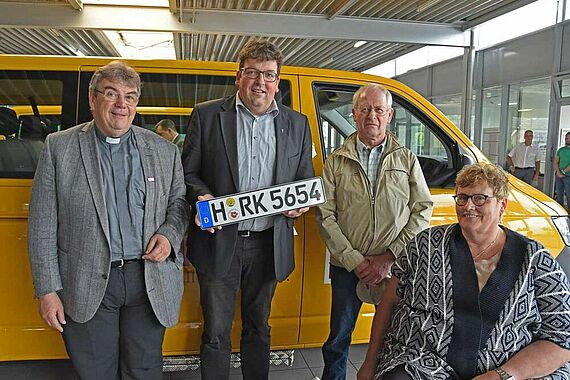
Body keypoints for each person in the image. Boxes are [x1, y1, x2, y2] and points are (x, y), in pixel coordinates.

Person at [27, 60, 189, 380]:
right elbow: (42, 223)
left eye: (130, 96)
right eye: (112, 94)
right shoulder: (60, 148)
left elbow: (179, 203)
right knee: (95, 372)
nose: (121, 105)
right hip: (85, 282)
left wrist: (169, 235)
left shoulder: (162, 150)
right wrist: (47, 291)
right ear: (92, 98)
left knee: (144, 370)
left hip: (148, 280)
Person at [358, 163, 570, 380]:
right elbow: (389, 302)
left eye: (479, 198)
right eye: (462, 198)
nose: (468, 206)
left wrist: (502, 375)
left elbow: (562, 338)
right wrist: (369, 363)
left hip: (506, 369)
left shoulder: (535, 260)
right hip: (423, 365)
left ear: (502, 205)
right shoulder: (426, 245)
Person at [182, 39, 315, 380]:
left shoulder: (296, 124)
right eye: (253, 72)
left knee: (259, 326)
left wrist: (299, 204)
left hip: (268, 243)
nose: (261, 82)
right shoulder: (208, 115)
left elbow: (303, 178)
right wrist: (202, 197)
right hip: (219, 240)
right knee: (215, 331)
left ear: (277, 80)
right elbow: (188, 174)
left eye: (269, 75)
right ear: (238, 76)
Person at [316, 83, 433, 380]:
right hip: (347, 268)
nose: (372, 116)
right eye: (365, 109)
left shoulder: (405, 158)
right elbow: (325, 215)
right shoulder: (336, 161)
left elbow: (422, 209)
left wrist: (390, 256)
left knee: (393, 338)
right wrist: (356, 261)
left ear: (390, 114)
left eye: (379, 109)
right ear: (354, 114)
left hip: (394, 268)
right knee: (338, 339)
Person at [555, 131, 570, 210]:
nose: (568, 140)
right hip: (559, 175)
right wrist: (558, 172)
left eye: (569, 138)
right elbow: (556, 161)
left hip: (568, 176)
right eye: (566, 138)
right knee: (559, 193)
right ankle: (560, 210)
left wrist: (563, 172)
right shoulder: (561, 150)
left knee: (568, 194)